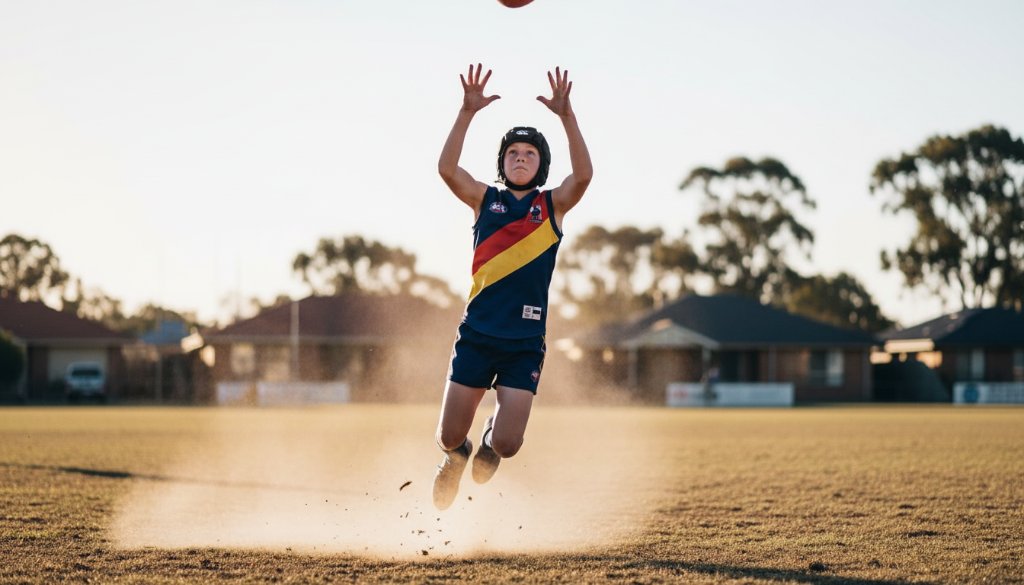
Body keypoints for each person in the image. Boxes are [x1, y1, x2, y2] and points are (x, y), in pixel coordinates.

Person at [432, 63, 593, 510]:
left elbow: (582, 177)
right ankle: (456, 456)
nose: (521, 158)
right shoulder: (485, 199)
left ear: (541, 164)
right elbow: (447, 168)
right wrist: (466, 112)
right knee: (446, 435)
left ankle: (487, 442)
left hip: (524, 342)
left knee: (507, 444)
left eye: (530, 154)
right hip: (477, 335)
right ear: (502, 163)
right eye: (513, 153)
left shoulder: (552, 206)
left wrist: (567, 117)